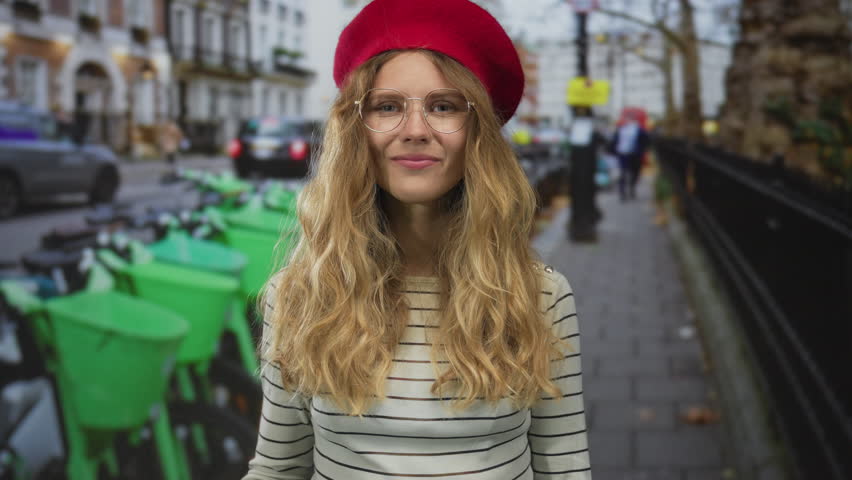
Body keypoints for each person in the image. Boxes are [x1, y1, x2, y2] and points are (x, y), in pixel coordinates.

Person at [243, 1, 592, 479]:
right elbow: (277, 469)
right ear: (356, 130)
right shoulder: (301, 296)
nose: (415, 130)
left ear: (477, 134)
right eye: (387, 106)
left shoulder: (540, 297)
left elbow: (566, 468)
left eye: (443, 106)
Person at [609, 110, 649, 201]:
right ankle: (622, 193)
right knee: (623, 173)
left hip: (635, 154)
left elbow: (646, 140)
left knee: (635, 172)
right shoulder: (621, 129)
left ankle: (631, 187)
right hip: (623, 153)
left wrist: (642, 150)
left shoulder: (639, 129)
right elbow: (615, 141)